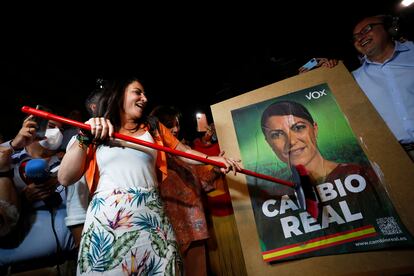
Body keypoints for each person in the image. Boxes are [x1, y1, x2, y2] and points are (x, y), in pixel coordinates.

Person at [58, 76, 242, 275]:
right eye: (138, 92)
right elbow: (65, 178)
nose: (144, 98)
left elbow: (185, 151)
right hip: (109, 221)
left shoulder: (152, 127)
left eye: (145, 93)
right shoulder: (95, 128)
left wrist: (213, 159)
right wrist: (85, 136)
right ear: (120, 95)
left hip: (151, 215)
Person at [150, 105, 222, 276]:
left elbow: (204, 180)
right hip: (166, 230)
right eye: (169, 125)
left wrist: (218, 167)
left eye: (177, 124)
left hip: (194, 226)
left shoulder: (187, 151)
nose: (175, 129)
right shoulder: (151, 155)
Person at [0, 114, 75, 273]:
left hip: (66, 263)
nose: (58, 133)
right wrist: (23, 200)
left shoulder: (66, 162)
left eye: (61, 129)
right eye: (52, 127)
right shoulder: (8, 158)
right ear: (34, 128)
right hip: (21, 268)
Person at [351, 14, 414, 161]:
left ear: (389, 29)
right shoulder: (353, 79)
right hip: (397, 157)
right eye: (355, 37)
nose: (360, 37)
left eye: (366, 29)